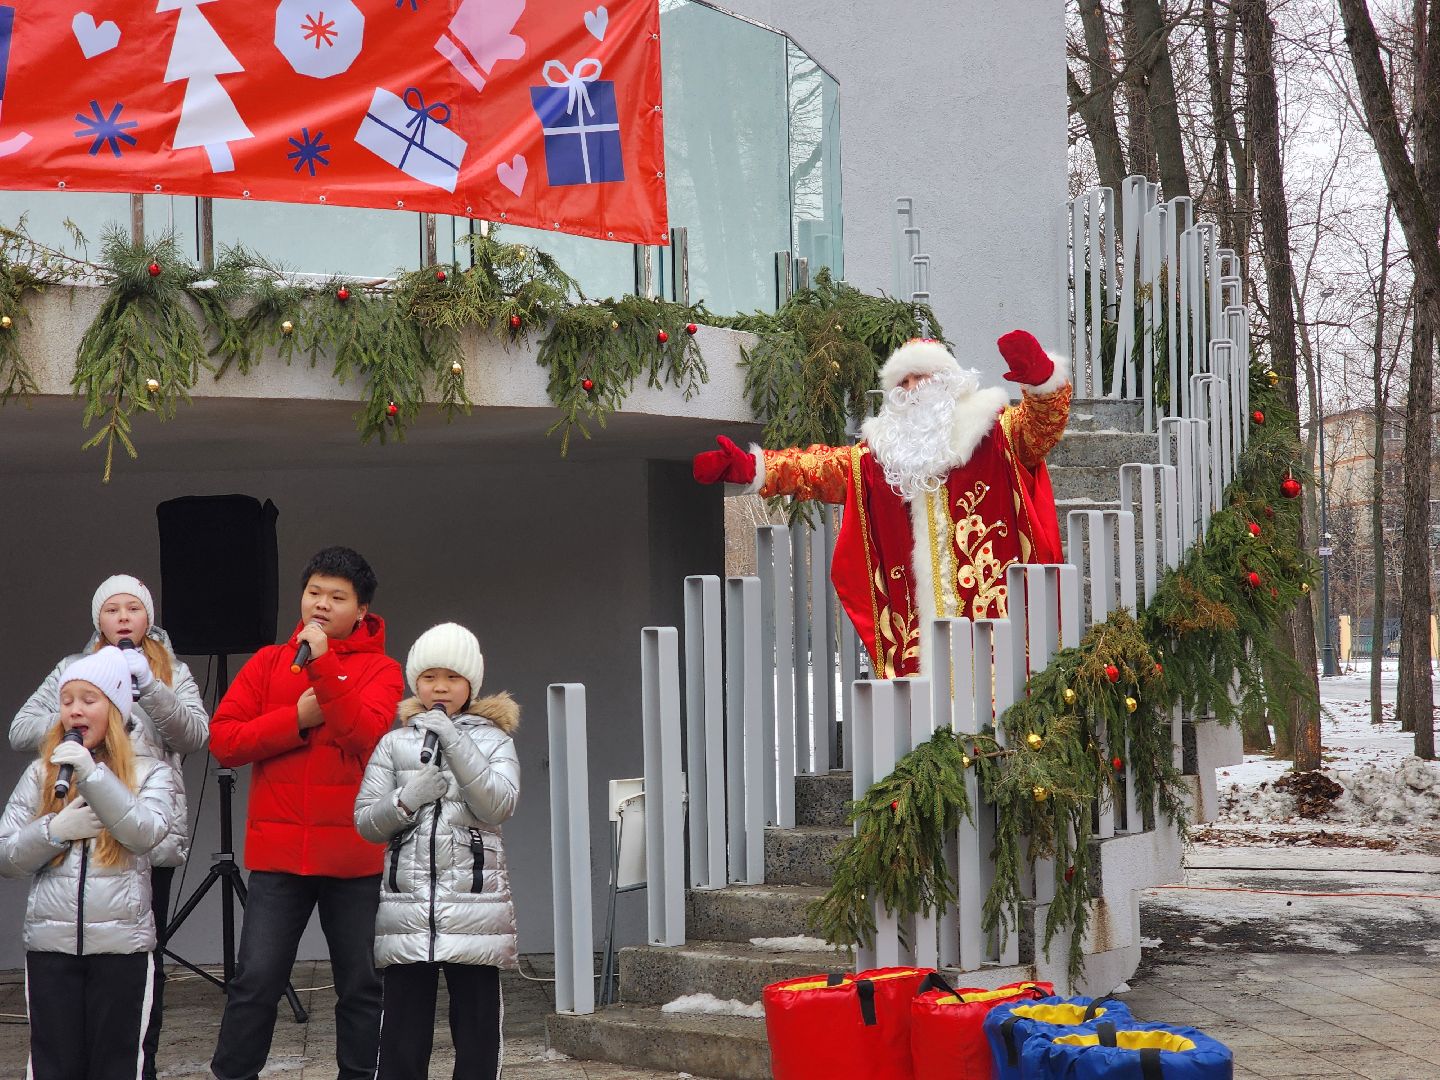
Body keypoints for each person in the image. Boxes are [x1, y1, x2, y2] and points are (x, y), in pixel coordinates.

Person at [693, 331, 1071, 678]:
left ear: (947, 382)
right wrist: (757, 468)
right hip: (919, 641)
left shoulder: (996, 434)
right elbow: (820, 468)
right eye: (901, 384)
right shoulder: (882, 459)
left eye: (918, 377)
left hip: (999, 633)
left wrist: (1040, 381)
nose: (910, 390)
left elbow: (1042, 427)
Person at [208, 546, 404, 1080]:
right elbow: (223, 741)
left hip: (354, 858)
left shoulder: (384, 671)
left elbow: (365, 735)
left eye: (336, 597)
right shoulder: (271, 661)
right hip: (279, 859)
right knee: (255, 983)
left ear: (362, 610)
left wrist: (325, 669)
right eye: (313, 593)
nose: (320, 605)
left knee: (362, 985)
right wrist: (293, 718)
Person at [9, 573, 209, 1080]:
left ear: (149, 617)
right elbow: (19, 731)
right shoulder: (70, 673)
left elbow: (194, 734)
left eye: (133, 608)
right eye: (112, 609)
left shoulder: (169, 671)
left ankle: (141, 1059)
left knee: (135, 966)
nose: (123, 617)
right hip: (69, 824)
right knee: (57, 1039)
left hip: (138, 829)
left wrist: (147, 689)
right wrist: (77, 719)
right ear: (97, 619)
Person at [355, 622, 520, 1080]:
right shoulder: (395, 742)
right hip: (407, 913)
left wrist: (454, 739)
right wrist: (408, 798)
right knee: (402, 1041)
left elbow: (498, 803)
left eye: (452, 677)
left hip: (474, 911)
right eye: (429, 677)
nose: (440, 687)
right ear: (416, 683)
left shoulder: (493, 739)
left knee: (477, 1035)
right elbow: (366, 822)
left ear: (471, 684)